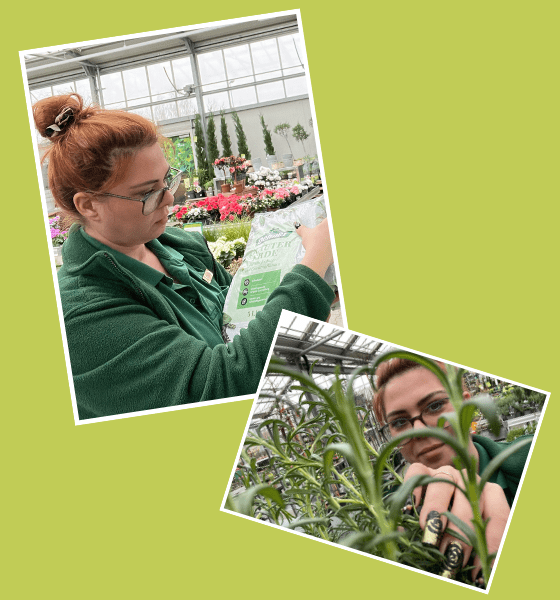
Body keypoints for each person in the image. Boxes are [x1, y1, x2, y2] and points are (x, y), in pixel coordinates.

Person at [34, 94, 335, 420]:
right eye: (147, 193)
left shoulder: (177, 247)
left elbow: (238, 313)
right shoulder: (80, 314)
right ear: (88, 206)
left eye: (168, 180)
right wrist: (314, 262)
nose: (168, 199)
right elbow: (222, 387)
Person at [372, 357, 532, 586]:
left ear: (466, 406)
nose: (417, 431)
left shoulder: (529, 458)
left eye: (435, 406)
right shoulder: (393, 511)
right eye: (399, 422)